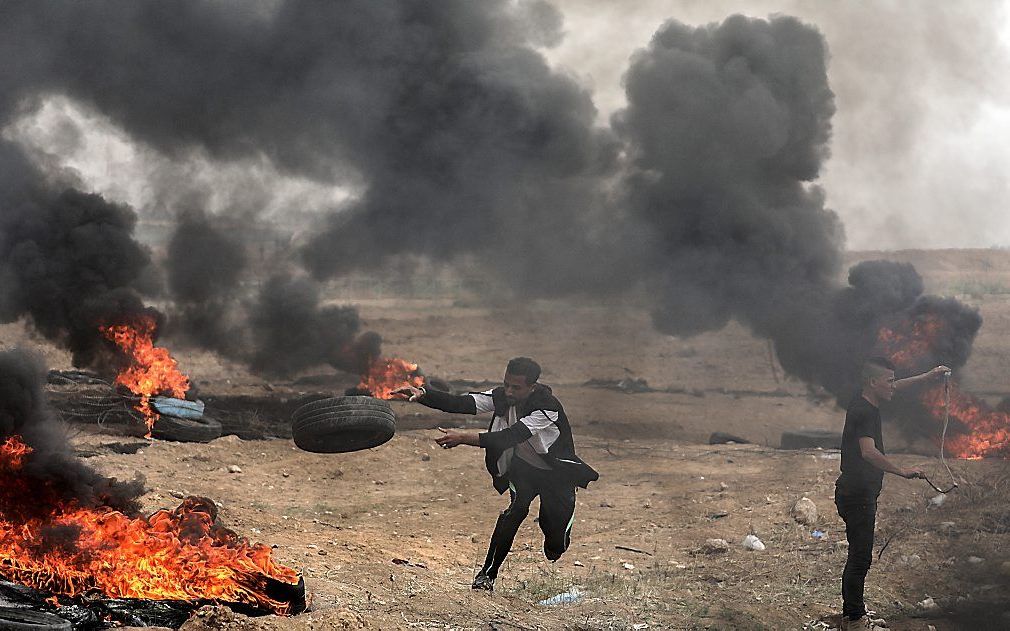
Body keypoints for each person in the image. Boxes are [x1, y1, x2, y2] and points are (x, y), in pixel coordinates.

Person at [397, 357, 598, 591]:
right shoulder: (502, 396)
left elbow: (510, 436)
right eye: (506, 384)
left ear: (532, 387)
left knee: (554, 542)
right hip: (524, 471)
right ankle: (487, 575)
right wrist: (424, 395)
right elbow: (463, 403)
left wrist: (463, 438)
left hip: (557, 474)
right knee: (514, 513)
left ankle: (558, 540)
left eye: (516, 387)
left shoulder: (547, 407)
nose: (509, 391)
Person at [835, 357, 950, 630]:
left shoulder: (865, 399)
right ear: (873, 382)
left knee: (859, 554)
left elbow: (897, 385)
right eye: (889, 381)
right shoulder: (864, 412)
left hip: (860, 491)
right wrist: (902, 471)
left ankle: (854, 612)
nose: (893, 386)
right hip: (857, 494)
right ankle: (853, 619)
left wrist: (927, 376)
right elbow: (868, 452)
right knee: (860, 556)